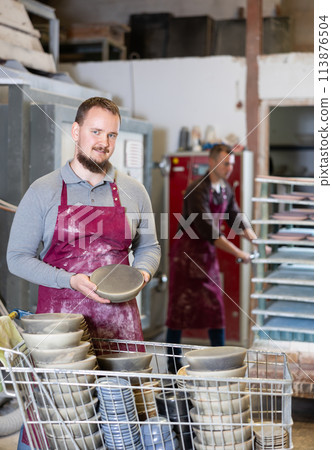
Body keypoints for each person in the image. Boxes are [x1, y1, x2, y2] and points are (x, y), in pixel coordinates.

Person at [7, 97, 161, 342]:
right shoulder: (43, 190)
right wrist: (69, 280)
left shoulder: (134, 191)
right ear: (76, 131)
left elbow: (149, 247)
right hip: (60, 331)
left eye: (112, 135)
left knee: (122, 382)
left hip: (121, 328)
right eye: (96, 132)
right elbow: (16, 258)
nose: (104, 143)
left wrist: (142, 273)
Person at [166, 143, 257, 370]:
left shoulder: (225, 188)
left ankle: (222, 360)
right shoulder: (197, 190)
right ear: (212, 162)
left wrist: (257, 241)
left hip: (206, 256)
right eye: (225, 163)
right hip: (187, 257)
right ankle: (172, 364)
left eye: (231, 164)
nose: (229, 168)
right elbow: (209, 230)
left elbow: (235, 218)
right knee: (180, 309)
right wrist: (239, 253)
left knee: (215, 308)